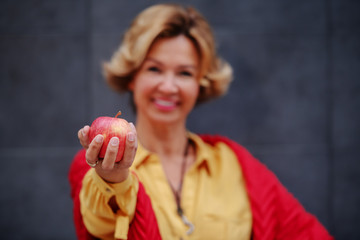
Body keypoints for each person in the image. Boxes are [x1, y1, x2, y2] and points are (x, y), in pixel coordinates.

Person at [69, 3, 333, 240]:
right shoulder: (97, 163)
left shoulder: (233, 163)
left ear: (200, 83)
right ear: (132, 76)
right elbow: (99, 228)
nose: (169, 86)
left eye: (184, 73)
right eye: (154, 69)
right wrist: (113, 180)